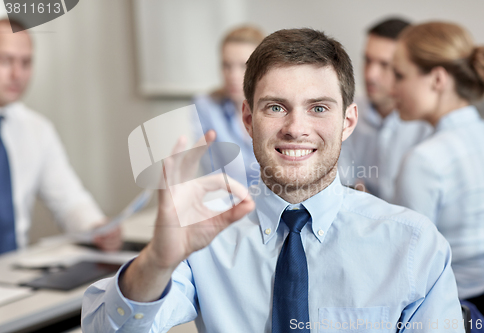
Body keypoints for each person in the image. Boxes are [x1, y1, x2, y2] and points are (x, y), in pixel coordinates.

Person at [82, 28, 464, 332]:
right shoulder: (205, 235)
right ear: (248, 119)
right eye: (276, 107)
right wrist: (157, 261)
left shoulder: (413, 245)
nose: (296, 128)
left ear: (347, 121)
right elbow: (106, 329)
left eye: (318, 108)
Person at [392, 21, 484, 327]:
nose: (392, 88)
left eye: (400, 75)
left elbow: (408, 265)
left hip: (461, 314)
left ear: (438, 78)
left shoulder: (425, 160)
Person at [0, 19, 121, 253]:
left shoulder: (36, 129)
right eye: (5, 60)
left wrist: (97, 228)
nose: (17, 74)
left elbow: (69, 200)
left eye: (26, 63)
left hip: (12, 274)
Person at [338, 18, 431, 201]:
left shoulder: (427, 126)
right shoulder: (344, 111)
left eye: (384, 65)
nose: (370, 74)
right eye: (368, 60)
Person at [193, 25, 264, 187]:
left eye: (244, 66)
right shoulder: (206, 107)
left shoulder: (279, 109)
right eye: (226, 65)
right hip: (228, 202)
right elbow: (212, 173)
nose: (233, 75)